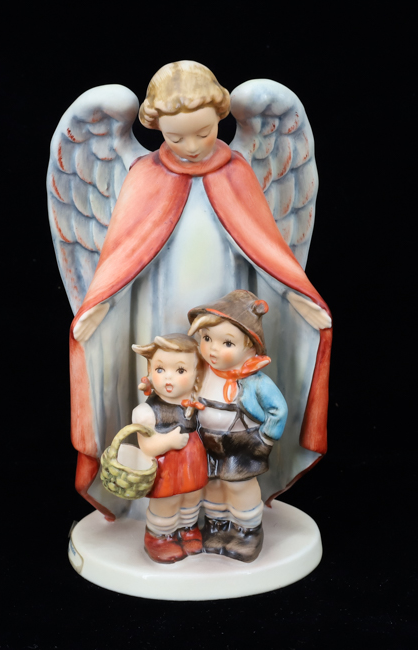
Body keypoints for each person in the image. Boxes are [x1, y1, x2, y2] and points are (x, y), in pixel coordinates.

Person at [68, 61, 332, 521]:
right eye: (176, 137)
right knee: (169, 391)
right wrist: (100, 302)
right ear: (157, 129)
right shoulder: (143, 176)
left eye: (204, 133)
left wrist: (296, 295)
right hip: (158, 304)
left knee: (224, 395)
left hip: (226, 303)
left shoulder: (238, 172)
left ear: (221, 118)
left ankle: (223, 492)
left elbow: (265, 248)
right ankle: (165, 501)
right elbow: (121, 255)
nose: (191, 147)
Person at [187, 290, 287, 562]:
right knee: (212, 485)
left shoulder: (255, 381)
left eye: (227, 343)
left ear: (251, 347)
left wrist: (265, 439)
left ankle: (247, 530)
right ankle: (217, 526)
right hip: (206, 442)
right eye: (207, 338)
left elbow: (278, 410)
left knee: (240, 487)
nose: (213, 349)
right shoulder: (202, 372)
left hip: (241, 443)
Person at [132, 333, 207, 563]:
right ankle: (160, 536)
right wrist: (168, 442)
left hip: (192, 461)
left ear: (197, 374)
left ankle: (188, 529)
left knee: (192, 498)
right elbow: (146, 446)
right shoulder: (147, 412)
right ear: (149, 370)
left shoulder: (195, 403)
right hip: (166, 466)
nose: (168, 377)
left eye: (180, 370)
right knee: (167, 502)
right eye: (160, 369)